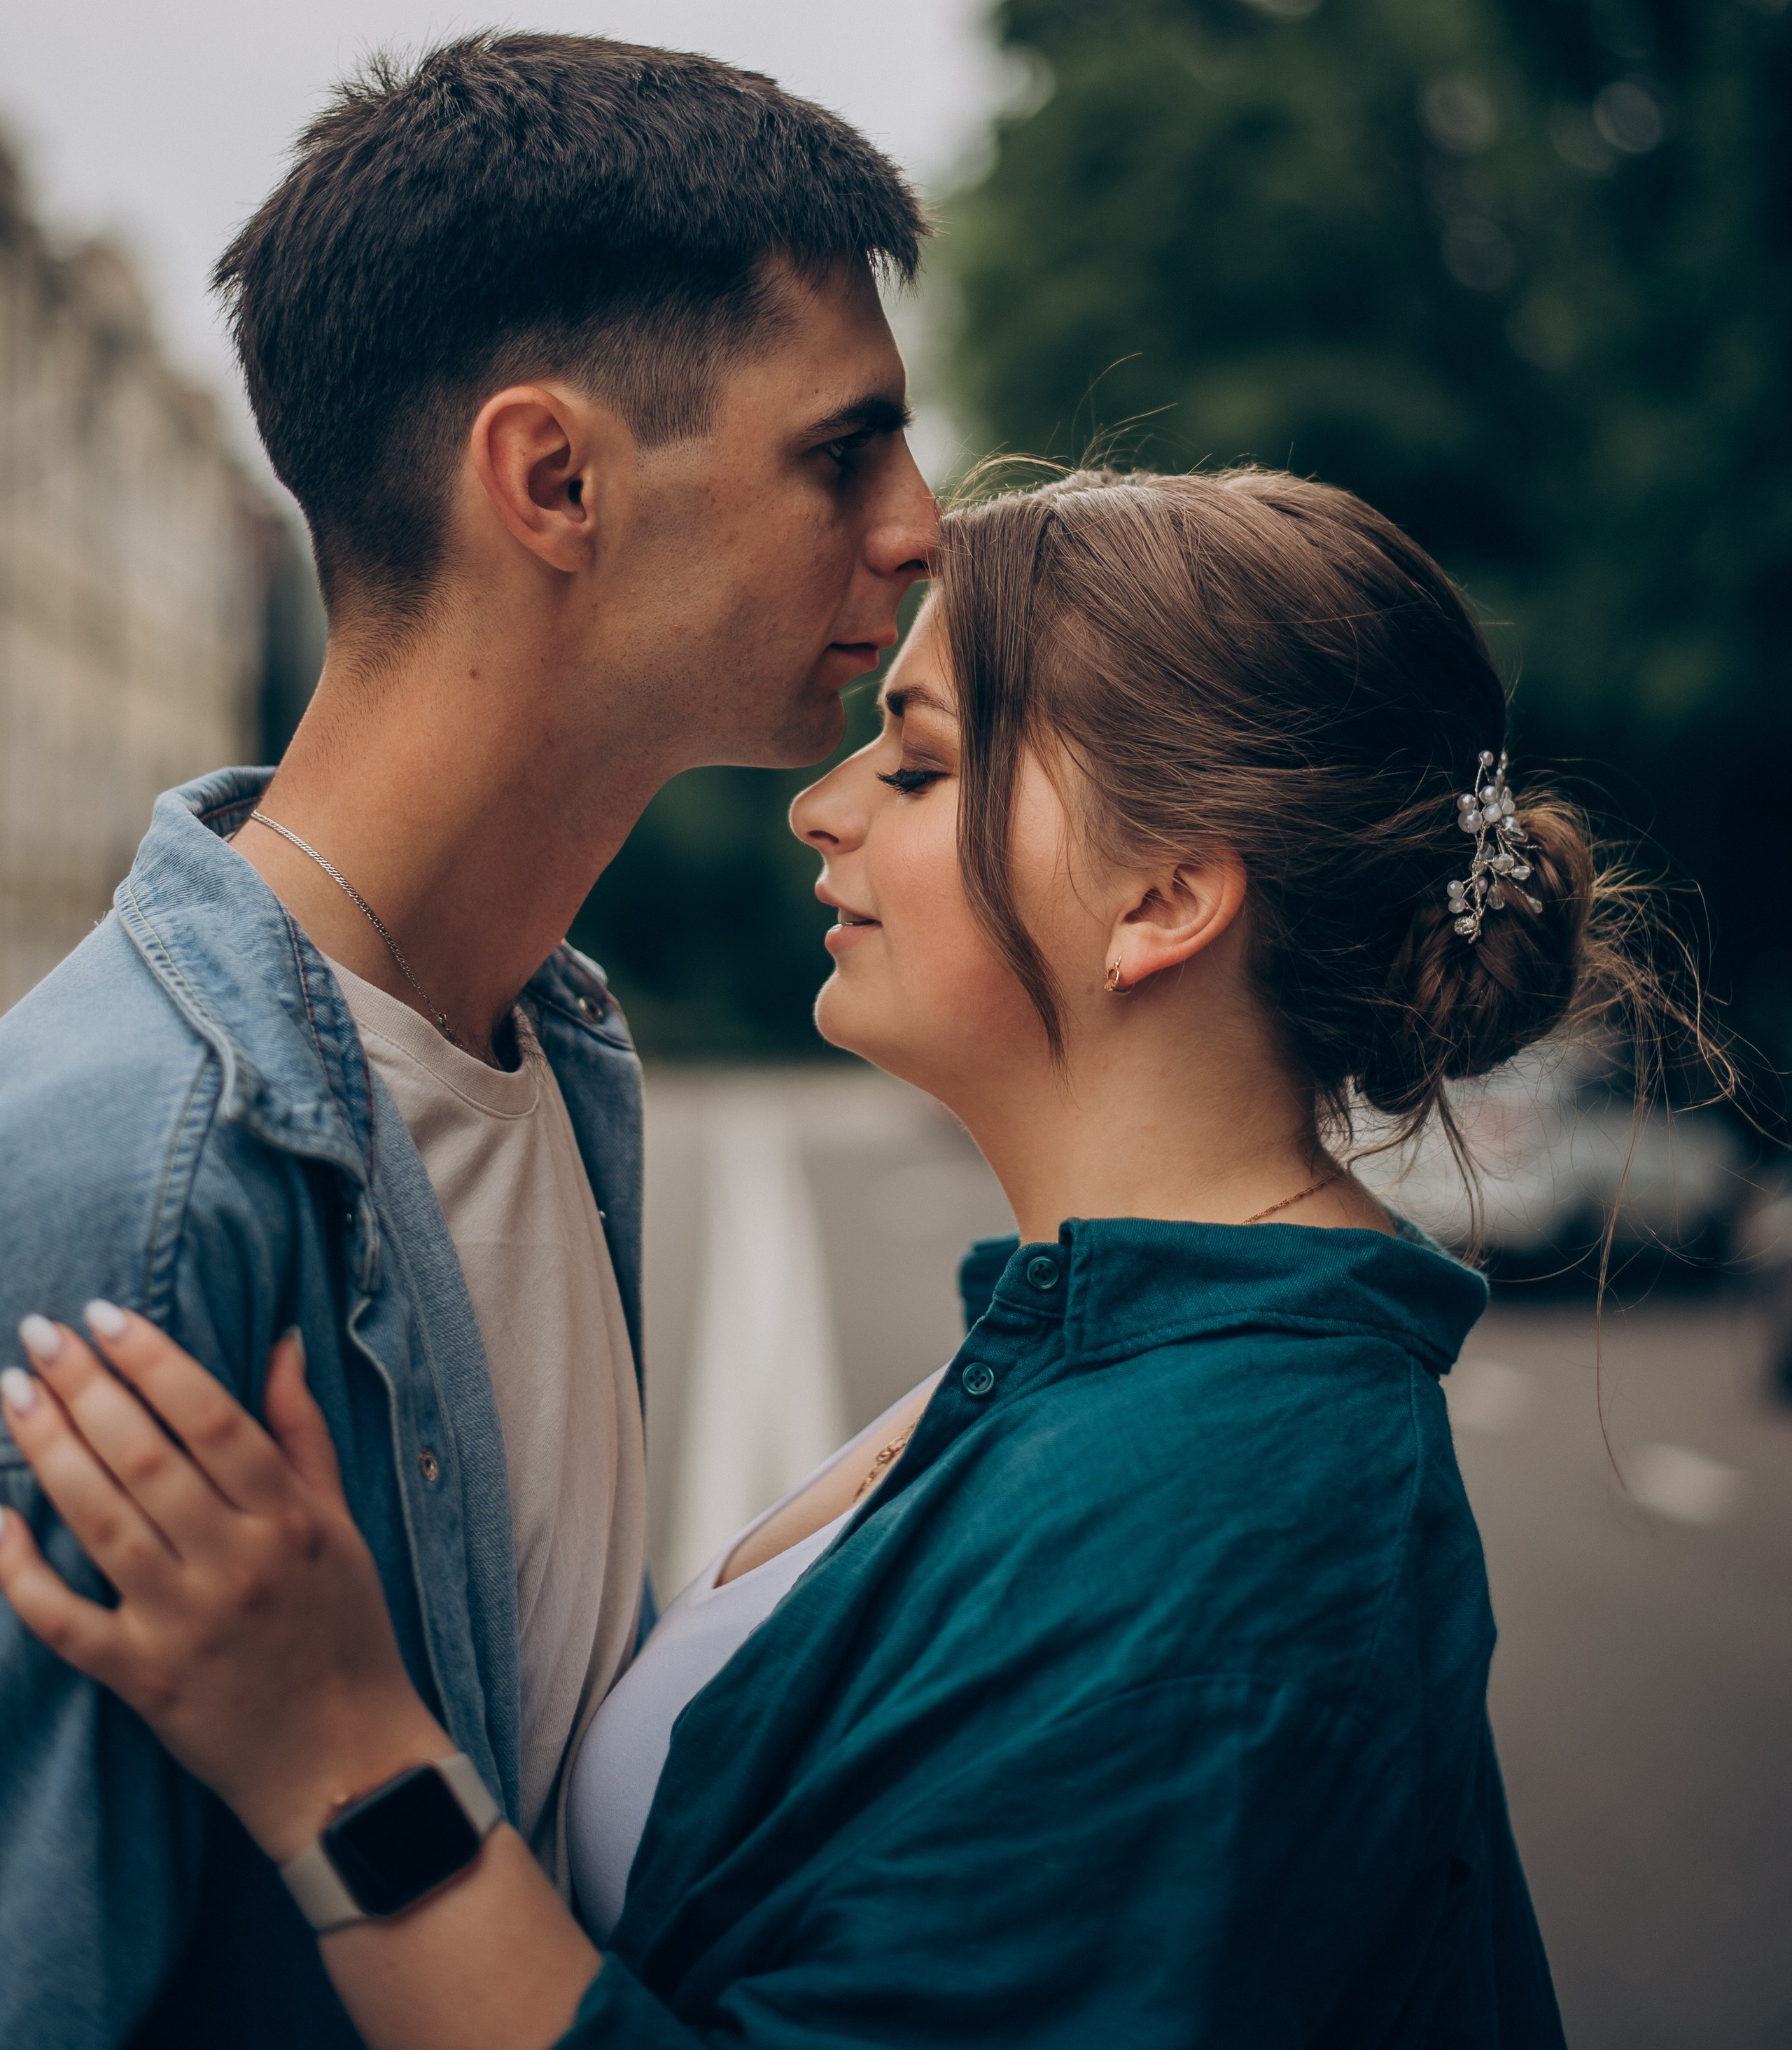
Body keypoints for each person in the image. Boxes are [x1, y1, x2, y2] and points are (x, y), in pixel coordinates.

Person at [3, 462, 1635, 2049]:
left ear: (1160, 899)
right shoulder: (1120, 1342)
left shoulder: (1233, 1505)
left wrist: (336, 1756)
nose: (821, 802)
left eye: (917, 769)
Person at [0, 31, 934, 2050]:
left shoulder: (549, 1045)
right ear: (554, 480)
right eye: (844, 449)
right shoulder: (134, 1179)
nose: (922, 523)